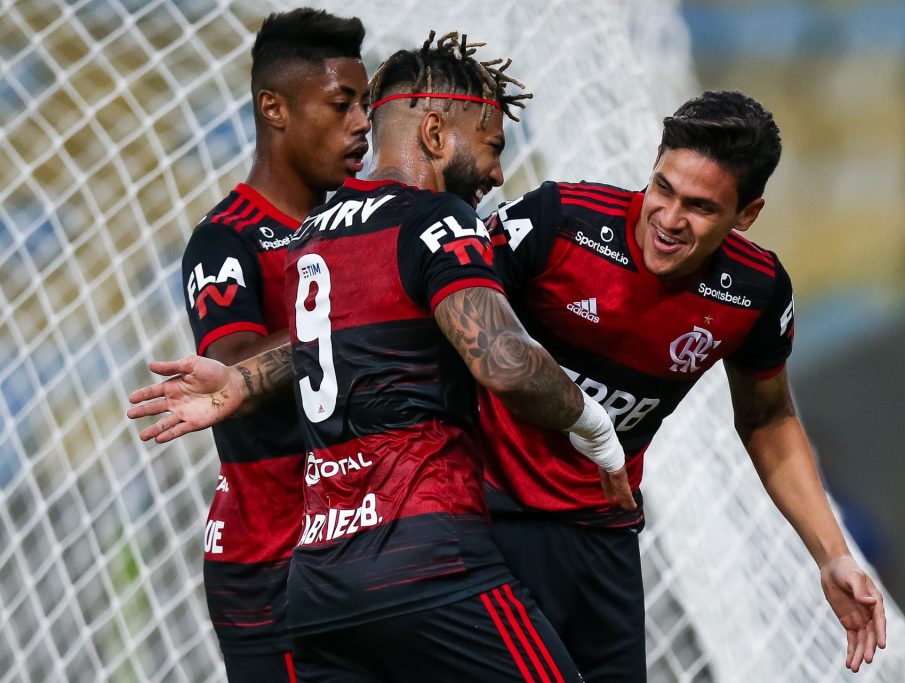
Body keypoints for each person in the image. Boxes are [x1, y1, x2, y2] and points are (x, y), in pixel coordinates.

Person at [130, 31, 633, 682]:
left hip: (320, 575)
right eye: (493, 147)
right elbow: (504, 362)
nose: (499, 173)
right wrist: (596, 428)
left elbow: (334, 334)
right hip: (420, 551)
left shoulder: (314, 234)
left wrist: (242, 379)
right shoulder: (438, 221)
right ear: (434, 133)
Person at [480, 90, 887, 681]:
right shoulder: (558, 221)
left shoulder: (755, 292)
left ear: (746, 215)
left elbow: (769, 420)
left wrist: (833, 556)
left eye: (699, 207)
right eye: (662, 188)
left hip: (601, 533)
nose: (668, 221)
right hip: (482, 512)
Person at [176, 9, 370, 681]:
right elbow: (232, 369)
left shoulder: (363, 225)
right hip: (270, 563)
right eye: (343, 104)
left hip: (364, 549)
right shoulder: (226, 239)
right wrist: (359, 305)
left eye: (367, 105)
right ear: (274, 108)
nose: (362, 123)